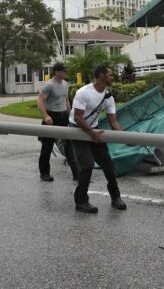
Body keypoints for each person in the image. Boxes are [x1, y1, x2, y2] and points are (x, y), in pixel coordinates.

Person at [69, 65, 126, 213]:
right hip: (77, 130)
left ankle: (116, 197)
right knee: (87, 165)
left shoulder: (108, 97)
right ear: (101, 75)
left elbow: (113, 122)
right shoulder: (83, 93)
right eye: (110, 75)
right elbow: (77, 117)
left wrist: (124, 137)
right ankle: (81, 201)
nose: (113, 77)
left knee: (108, 163)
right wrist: (91, 133)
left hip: (92, 129)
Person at [37, 62, 79, 181]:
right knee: (47, 146)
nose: (66, 72)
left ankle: (76, 173)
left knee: (68, 145)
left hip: (63, 116)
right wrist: (45, 116)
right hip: (51, 116)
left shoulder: (65, 84)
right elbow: (40, 101)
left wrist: (70, 115)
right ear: (56, 72)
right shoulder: (49, 85)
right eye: (64, 71)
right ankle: (44, 173)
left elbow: (66, 100)